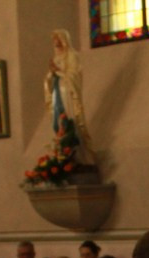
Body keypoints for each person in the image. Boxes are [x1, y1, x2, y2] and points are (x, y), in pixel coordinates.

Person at [44, 29, 96, 165]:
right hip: (57, 91)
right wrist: (51, 74)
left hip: (67, 93)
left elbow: (74, 75)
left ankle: (79, 155)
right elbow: (49, 80)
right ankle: (62, 150)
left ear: (64, 41)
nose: (56, 45)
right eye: (54, 43)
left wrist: (58, 71)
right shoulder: (55, 58)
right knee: (58, 120)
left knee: (70, 119)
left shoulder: (72, 55)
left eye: (58, 42)